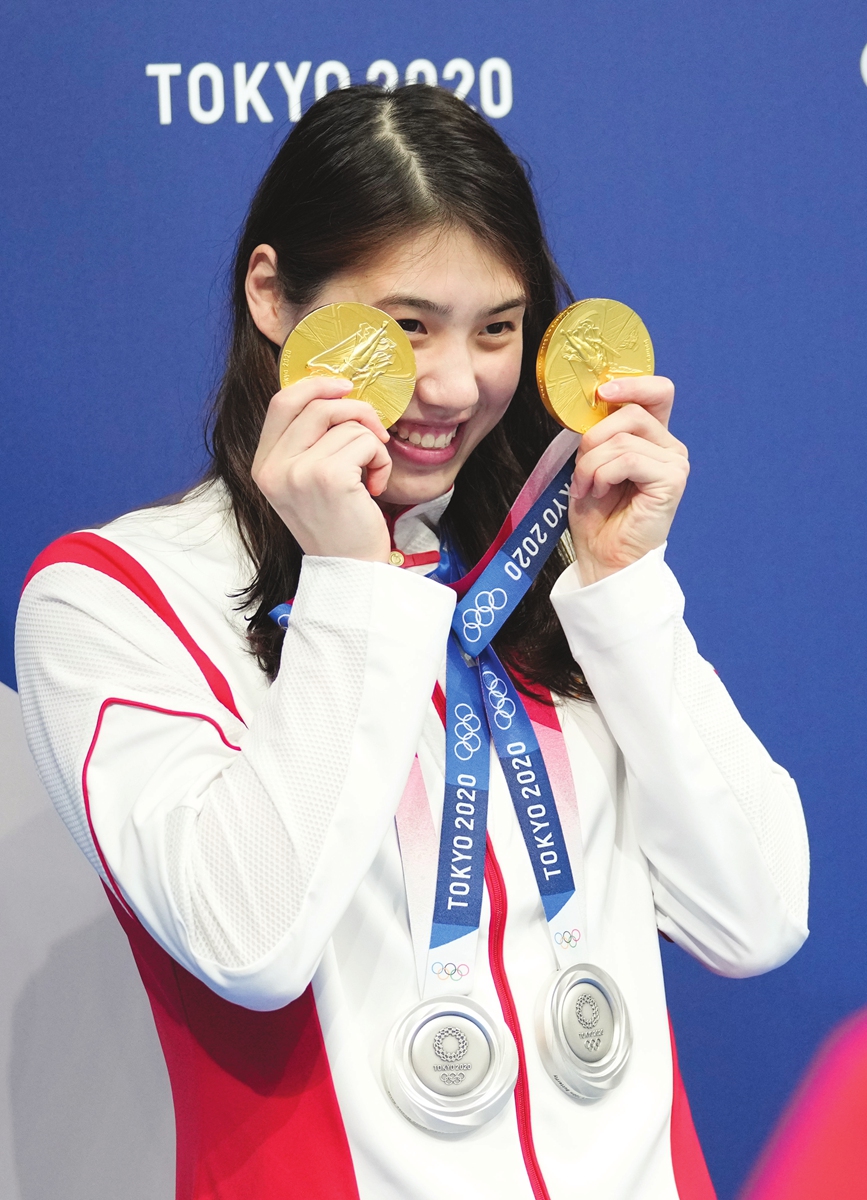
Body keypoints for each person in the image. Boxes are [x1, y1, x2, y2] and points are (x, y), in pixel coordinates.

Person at [15, 84, 809, 1200]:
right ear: (273, 297)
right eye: (404, 327)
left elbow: (757, 917)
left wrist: (626, 594)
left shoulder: (550, 567)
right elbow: (251, 944)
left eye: (496, 327)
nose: (452, 385)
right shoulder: (116, 596)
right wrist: (348, 582)